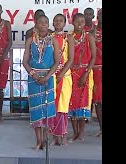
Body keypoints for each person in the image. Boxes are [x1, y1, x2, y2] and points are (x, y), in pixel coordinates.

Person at [22, 15, 59, 150]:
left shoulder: (53, 40)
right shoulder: (30, 40)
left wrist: (47, 76)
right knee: (36, 109)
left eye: (45, 23)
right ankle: (38, 141)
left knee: (46, 109)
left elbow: (57, 62)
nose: (43, 25)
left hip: (48, 78)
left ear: (48, 25)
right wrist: (34, 75)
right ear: (36, 24)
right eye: (40, 22)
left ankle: (45, 139)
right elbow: (25, 61)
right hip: (34, 78)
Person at [68, 13, 96, 142]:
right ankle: (75, 132)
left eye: (82, 21)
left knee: (83, 102)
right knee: (72, 102)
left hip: (85, 72)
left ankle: (81, 133)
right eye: (77, 21)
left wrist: (86, 73)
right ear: (72, 22)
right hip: (71, 73)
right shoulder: (69, 37)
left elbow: (93, 57)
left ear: (85, 23)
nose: (80, 23)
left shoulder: (89, 36)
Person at [49, 14, 74, 146]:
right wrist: (53, 73)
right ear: (53, 23)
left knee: (63, 107)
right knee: (52, 105)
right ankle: (54, 136)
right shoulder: (49, 38)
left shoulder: (69, 38)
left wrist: (61, 74)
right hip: (52, 75)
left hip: (64, 77)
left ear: (64, 23)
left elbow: (70, 59)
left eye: (60, 21)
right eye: (56, 20)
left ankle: (63, 135)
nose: (58, 23)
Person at [92, 9, 102, 137]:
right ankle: (101, 128)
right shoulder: (91, 32)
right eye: (100, 15)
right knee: (98, 102)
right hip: (94, 70)